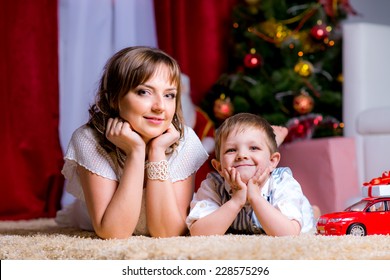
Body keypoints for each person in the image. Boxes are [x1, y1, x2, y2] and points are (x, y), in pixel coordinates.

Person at [55, 46, 209, 239]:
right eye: (144, 92)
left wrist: (157, 152)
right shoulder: (88, 139)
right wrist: (136, 152)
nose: (160, 107)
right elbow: (114, 233)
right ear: (113, 98)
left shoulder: (185, 140)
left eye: (169, 95)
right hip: (90, 219)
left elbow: (168, 233)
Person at [186, 113, 315, 236]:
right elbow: (198, 232)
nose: (242, 155)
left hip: (298, 211)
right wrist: (236, 201)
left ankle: (315, 210)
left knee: (310, 213)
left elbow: (289, 233)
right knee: (258, 150)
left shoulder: (281, 182)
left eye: (253, 148)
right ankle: (267, 145)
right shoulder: (214, 185)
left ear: (273, 161)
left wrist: (255, 197)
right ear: (219, 167)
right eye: (231, 150)